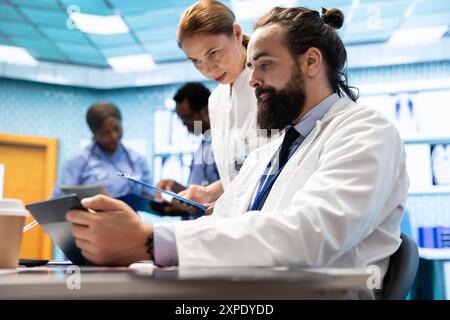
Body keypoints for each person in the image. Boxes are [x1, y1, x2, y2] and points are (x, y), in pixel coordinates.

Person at [66, 6, 409, 299]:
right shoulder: (273, 150)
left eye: (264, 65)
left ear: (311, 62)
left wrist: (150, 241)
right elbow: (225, 221)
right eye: (252, 66)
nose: (252, 79)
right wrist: (136, 244)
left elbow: (308, 234)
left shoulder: (365, 130)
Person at [174, 0, 275, 209]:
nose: (208, 69)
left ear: (237, 34)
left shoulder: (270, 85)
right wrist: (210, 193)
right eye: (195, 61)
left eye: (213, 53)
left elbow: (277, 165)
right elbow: (239, 172)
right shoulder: (216, 99)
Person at [53, 102, 151, 198]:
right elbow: (60, 201)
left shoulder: (138, 160)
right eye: (106, 132)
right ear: (94, 133)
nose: (114, 136)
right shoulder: (76, 162)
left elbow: (149, 197)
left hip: (131, 214)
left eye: (117, 129)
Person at [155, 82, 220, 216]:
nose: (185, 124)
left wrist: (178, 208)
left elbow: (221, 196)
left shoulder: (221, 143)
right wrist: (175, 187)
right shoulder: (205, 142)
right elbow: (203, 192)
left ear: (206, 110)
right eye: (181, 119)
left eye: (187, 118)